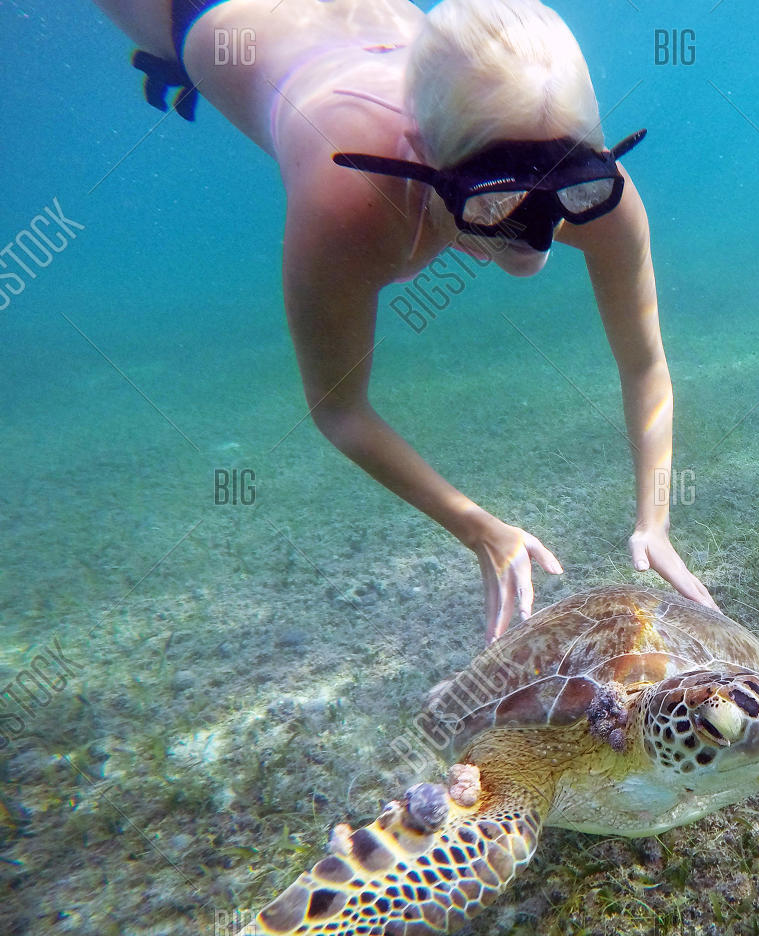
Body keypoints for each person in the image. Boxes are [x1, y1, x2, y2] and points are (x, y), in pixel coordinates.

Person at [92, 0, 718, 641]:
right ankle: (179, 65)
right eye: (495, 201)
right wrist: (477, 526)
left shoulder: (602, 193)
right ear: (419, 153)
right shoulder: (352, 202)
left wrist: (656, 519)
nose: (540, 238)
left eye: (573, 186)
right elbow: (339, 407)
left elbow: (644, 363)